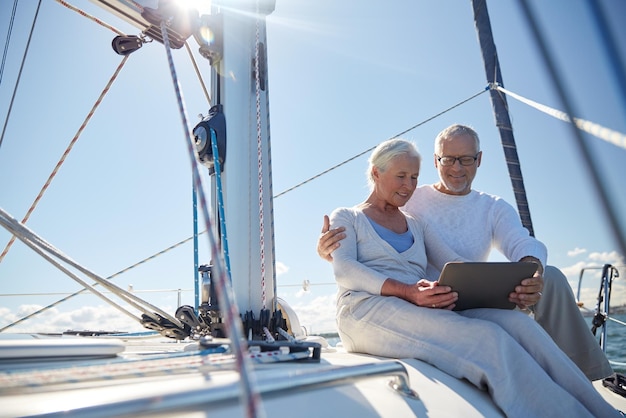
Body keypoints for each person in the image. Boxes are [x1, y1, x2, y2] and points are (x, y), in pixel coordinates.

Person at [329, 137, 620, 417]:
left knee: (521, 325)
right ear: (376, 173)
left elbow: (454, 262)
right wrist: (408, 291)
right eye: (401, 176)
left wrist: (497, 284)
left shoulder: (416, 222)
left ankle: (603, 413)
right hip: (364, 309)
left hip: (418, 304)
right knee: (488, 339)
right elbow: (345, 270)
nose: (409, 186)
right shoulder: (347, 216)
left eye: (414, 178)